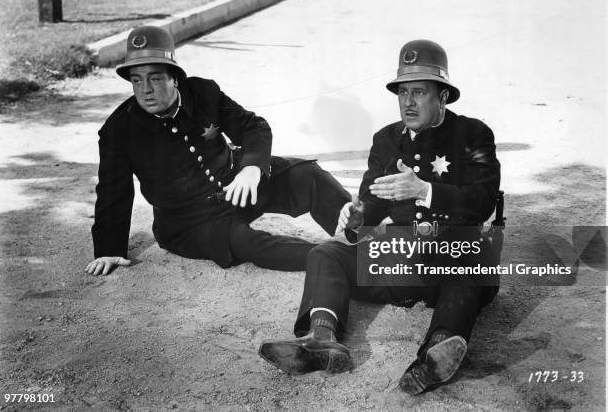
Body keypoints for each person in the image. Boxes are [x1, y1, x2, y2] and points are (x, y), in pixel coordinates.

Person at [259, 40, 501, 394]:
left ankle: (437, 353)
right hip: (400, 261)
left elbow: (482, 203)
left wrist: (424, 190)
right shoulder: (386, 140)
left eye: (419, 92)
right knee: (326, 252)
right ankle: (321, 338)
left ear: (444, 96)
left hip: (453, 263)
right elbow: (371, 205)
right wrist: (357, 216)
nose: (408, 102)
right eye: (402, 92)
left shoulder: (472, 135)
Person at [84, 25, 350, 276]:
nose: (145, 90)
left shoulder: (202, 93)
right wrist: (108, 249)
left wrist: (252, 168)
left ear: (175, 78)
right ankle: (341, 261)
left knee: (309, 176)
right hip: (189, 224)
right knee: (246, 242)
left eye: (155, 78)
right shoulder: (119, 129)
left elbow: (253, 127)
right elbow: (112, 191)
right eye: (136, 80)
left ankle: (375, 249)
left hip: (237, 188)